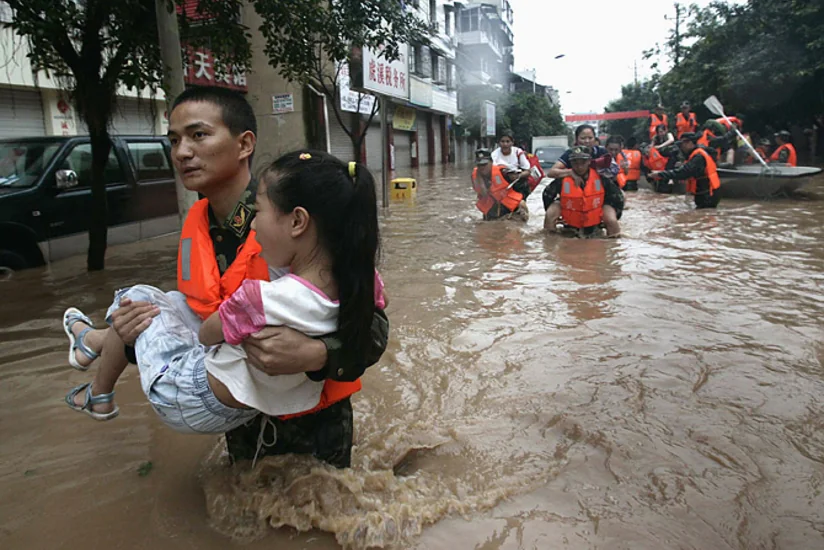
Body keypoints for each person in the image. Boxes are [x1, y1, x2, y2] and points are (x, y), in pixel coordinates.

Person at [61, 86, 389, 468]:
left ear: (244, 144)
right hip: (237, 415)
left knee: (320, 502)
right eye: (174, 140)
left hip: (313, 426)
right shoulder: (198, 224)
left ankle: (93, 342)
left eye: (198, 135)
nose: (182, 152)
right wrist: (132, 334)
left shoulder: (292, 212)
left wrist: (317, 354)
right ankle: (100, 341)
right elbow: (200, 326)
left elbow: (373, 324)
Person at [546, 125, 621, 235]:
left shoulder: (602, 156)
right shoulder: (568, 159)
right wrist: (570, 173)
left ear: (589, 161)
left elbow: (618, 196)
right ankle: (549, 239)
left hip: (598, 199)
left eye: (590, 138)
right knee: (550, 214)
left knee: (611, 220)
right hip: (571, 202)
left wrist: (615, 213)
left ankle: (613, 240)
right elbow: (548, 191)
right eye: (583, 138)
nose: (579, 166)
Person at [648, 132, 721, 209]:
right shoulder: (698, 153)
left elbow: (684, 173)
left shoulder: (698, 157)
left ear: (689, 143)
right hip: (707, 193)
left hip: (708, 194)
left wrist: (660, 174)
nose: (682, 147)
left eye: (682, 144)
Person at [472, 148, 528, 222]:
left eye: (484, 164)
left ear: (491, 162)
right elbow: (482, 193)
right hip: (491, 209)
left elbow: (523, 184)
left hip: (510, 207)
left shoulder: (504, 172)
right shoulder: (475, 176)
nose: (482, 167)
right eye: (479, 165)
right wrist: (480, 180)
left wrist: (522, 202)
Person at [491, 129, 531, 196]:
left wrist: (518, 176)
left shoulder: (518, 152)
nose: (505, 144)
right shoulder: (494, 155)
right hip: (501, 187)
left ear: (512, 143)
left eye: (508, 141)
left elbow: (528, 171)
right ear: (499, 143)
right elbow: (492, 173)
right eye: (502, 141)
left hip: (519, 186)